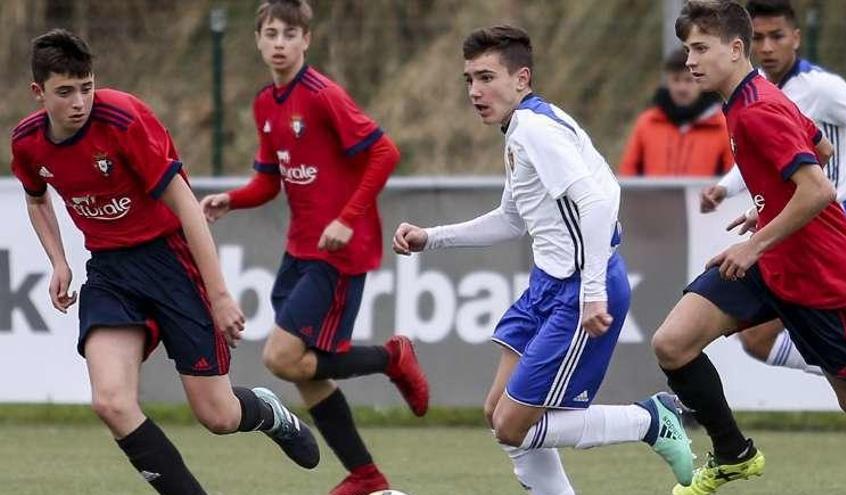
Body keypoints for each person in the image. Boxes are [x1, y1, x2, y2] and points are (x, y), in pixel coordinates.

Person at [9, 29, 318, 495]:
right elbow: (36, 200)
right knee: (111, 402)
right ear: (39, 93)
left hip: (170, 262)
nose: (79, 102)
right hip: (110, 272)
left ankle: (268, 411)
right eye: (65, 92)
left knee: (217, 415)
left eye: (87, 87)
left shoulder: (122, 120)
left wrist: (218, 295)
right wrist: (59, 262)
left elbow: (186, 205)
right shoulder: (29, 142)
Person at [393, 25, 694, 495]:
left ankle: (650, 419)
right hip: (548, 285)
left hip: (577, 291)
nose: (475, 91)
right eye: (469, 79)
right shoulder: (521, 128)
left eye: (487, 77)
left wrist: (592, 292)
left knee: (514, 426)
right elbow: (513, 220)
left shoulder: (535, 130)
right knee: (498, 413)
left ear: (522, 78)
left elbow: (597, 205)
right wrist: (431, 238)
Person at [199, 1, 429, 494]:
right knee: (304, 370)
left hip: (340, 250)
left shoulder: (323, 96)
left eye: (289, 33)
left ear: (307, 40)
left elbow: (385, 153)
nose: (279, 42)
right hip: (300, 249)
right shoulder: (266, 103)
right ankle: (366, 475)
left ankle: (392, 357)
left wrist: (347, 220)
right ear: (258, 41)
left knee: (281, 357)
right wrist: (231, 201)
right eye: (270, 33)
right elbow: (268, 181)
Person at [653, 2, 846, 494]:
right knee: (672, 344)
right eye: (687, 48)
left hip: (816, 273)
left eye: (700, 48)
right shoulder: (752, 97)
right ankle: (733, 454)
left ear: (735, 49)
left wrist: (755, 241)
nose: (690, 60)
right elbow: (821, 149)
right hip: (774, 258)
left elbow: (818, 189)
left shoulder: (759, 108)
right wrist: (769, 203)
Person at [700, 0, 846, 378]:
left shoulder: (822, 88)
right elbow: (772, 156)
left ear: (796, 38)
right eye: (759, 38)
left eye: (776, 37)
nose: (766, 48)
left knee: (762, 337)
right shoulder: (755, 91)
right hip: (790, 222)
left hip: (836, 221)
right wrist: (724, 187)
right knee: (756, 339)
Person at [618, 47, 733, 177]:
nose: (681, 88)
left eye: (689, 80)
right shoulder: (647, 123)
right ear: (667, 81)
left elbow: (733, 177)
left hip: (704, 198)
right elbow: (628, 174)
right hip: (655, 198)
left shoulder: (722, 127)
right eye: (676, 80)